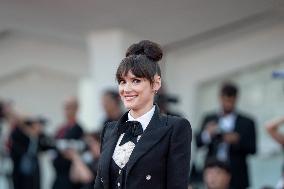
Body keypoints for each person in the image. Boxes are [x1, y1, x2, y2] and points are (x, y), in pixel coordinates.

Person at [94, 40, 192, 189]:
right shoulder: (109, 130)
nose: (126, 89)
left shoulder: (176, 128)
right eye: (122, 81)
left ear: (156, 83)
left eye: (136, 81)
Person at [196, 82, 256, 189]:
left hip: (237, 175)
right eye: (225, 100)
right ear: (220, 98)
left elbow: (253, 149)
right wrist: (208, 134)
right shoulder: (209, 118)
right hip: (213, 172)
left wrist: (236, 140)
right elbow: (198, 143)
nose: (228, 104)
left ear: (236, 99)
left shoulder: (247, 122)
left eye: (231, 101)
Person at [10, 115, 53, 189]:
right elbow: (18, 150)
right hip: (20, 170)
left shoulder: (38, 136)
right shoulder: (17, 134)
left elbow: (48, 145)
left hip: (34, 170)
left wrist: (36, 135)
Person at [52, 96, 84, 189]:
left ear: (76, 109)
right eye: (65, 107)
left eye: (70, 107)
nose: (67, 110)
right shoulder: (61, 129)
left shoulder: (78, 129)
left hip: (69, 176)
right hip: (58, 174)